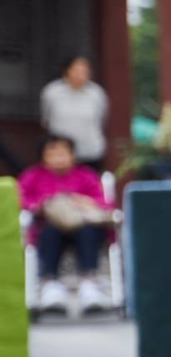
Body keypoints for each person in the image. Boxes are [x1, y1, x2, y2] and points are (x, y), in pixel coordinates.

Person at [19, 132, 115, 312]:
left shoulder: (86, 175)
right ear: (43, 157)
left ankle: (89, 284)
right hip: (49, 227)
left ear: (73, 155)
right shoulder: (33, 176)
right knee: (49, 233)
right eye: (52, 154)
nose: (58, 158)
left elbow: (104, 203)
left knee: (89, 232)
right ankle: (50, 285)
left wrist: (82, 201)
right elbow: (22, 200)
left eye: (63, 153)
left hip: (84, 225)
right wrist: (43, 205)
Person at [39, 56, 109, 167]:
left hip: (90, 151)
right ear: (67, 71)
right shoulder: (52, 92)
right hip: (60, 155)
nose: (82, 73)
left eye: (85, 70)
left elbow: (101, 119)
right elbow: (45, 119)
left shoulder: (97, 93)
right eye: (78, 69)